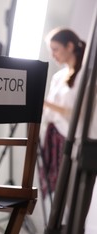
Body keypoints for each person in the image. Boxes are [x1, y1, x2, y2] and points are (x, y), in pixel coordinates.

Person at [39, 28, 86, 199]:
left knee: (70, 193)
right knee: (56, 194)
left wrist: (42, 102)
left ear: (70, 46)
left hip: (72, 141)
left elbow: (79, 113)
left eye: (56, 49)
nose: (53, 55)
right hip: (53, 140)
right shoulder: (58, 77)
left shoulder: (85, 76)